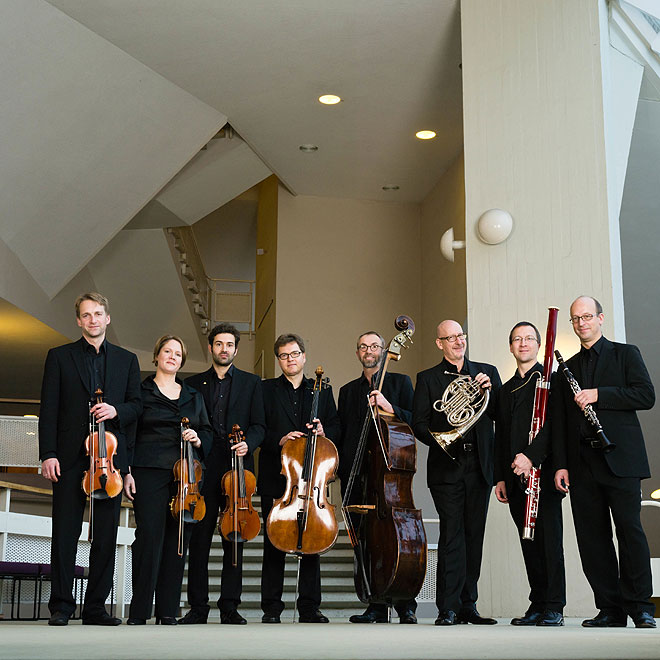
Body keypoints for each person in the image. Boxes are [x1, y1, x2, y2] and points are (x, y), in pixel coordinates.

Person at [39, 292, 142, 626]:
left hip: (109, 460)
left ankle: (96, 607)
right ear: (78, 321)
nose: (93, 320)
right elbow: (49, 409)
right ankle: (61, 606)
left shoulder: (127, 360)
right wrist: (48, 454)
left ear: (107, 318)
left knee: (105, 536)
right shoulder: (59, 356)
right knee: (64, 533)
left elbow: (137, 408)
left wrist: (116, 410)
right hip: (68, 458)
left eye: (98, 314)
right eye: (86, 315)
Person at [553, 296, 656, 629]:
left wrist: (599, 394)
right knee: (592, 539)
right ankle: (610, 609)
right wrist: (562, 464)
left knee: (630, 533)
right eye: (575, 318)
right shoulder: (566, 368)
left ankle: (641, 607)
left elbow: (646, 395)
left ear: (600, 318)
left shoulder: (626, 354)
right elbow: (562, 423)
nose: (581, 323)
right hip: (582, 464)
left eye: (586, 316)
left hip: (621, 459)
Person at [412, 320, 501, 626]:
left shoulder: (487, 373)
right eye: (450, 338)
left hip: (479, 466)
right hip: (447, 467)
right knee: (453, 535)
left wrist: (490, 391)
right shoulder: (427, 378)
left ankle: (468, 605)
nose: (458, 341)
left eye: (461, 335)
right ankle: (447, 608)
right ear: (440, 343)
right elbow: (419, 423)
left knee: (474, 536)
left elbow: (499, 414)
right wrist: (442, 440)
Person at [178, 323, 265, 625]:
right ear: (210, 348)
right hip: (204, 464)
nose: (224, 349)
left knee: (234, 537)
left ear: (236, 349)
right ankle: (198, 607)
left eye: (229, 344)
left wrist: (248, 443)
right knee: (199, 539)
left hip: (237, 466)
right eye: (218, 344)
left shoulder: (252, 383)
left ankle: (230, 606)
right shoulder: (193, 384)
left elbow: (260, 425)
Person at [123, 335, 212, 625]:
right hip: (148, 470)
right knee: (149, 538)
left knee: (178, 540)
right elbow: (128, 433)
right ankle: (139, 611)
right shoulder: (140, 392)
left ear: (181, 361)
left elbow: (207, 431)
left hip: (186, 476)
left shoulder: (193, 396)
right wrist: (126, 471)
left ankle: (167, 610)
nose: (172, 356)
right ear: (157, 356)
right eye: (167, 351)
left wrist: (197, 438)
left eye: (177, 353)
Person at [259, 333, 340, 623]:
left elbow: (336, 425)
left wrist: (324, 431)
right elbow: (258, 428)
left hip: (311, 478)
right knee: (274, 544)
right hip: (279, 478)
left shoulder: (322, 390)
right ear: (278, 360)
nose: (290, 359)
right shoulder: (265, 390)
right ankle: (271, 608)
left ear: (304, 357)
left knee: (312, 543)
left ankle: (309, 607)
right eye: (284, 355)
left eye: (294, 354)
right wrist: (279, 439)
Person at [337, 331, 417, 624]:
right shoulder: (347, 391)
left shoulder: (400, 383)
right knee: (366, 541)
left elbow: (417, 420)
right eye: (363, 346)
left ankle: (405, 603)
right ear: (357, 352)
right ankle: (375, 603)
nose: (368, 350)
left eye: (374, 346)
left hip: (390, 476)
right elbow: (343, 433)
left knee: (397, 538)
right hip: (357, 475)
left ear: (384, 351)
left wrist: (389, 407)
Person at [494, 322, 565, 626]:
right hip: (514, 478)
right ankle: (537, 603)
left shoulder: (551, 380)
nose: (523, 343)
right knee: (529, 542)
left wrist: (531, 457)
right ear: (511, 347)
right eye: (517, 339)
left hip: (544, 475)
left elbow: (555, 426)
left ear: (538, 345)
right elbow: (500, 436)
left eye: (529, 339)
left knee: (550, 542)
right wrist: (500, 476)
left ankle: (554, 606)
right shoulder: (505, 389)